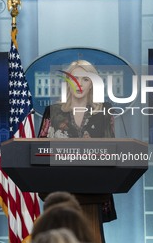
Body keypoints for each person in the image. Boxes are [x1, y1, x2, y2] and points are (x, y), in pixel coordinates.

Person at [38, 59, 117, 223]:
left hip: (95, 189)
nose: (79, 84)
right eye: (75, 79)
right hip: (60, 188)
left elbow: (112, 151)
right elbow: (40, 152)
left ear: (92, 84)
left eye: (85, 79)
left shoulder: (104, 110)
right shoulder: (52, 111)